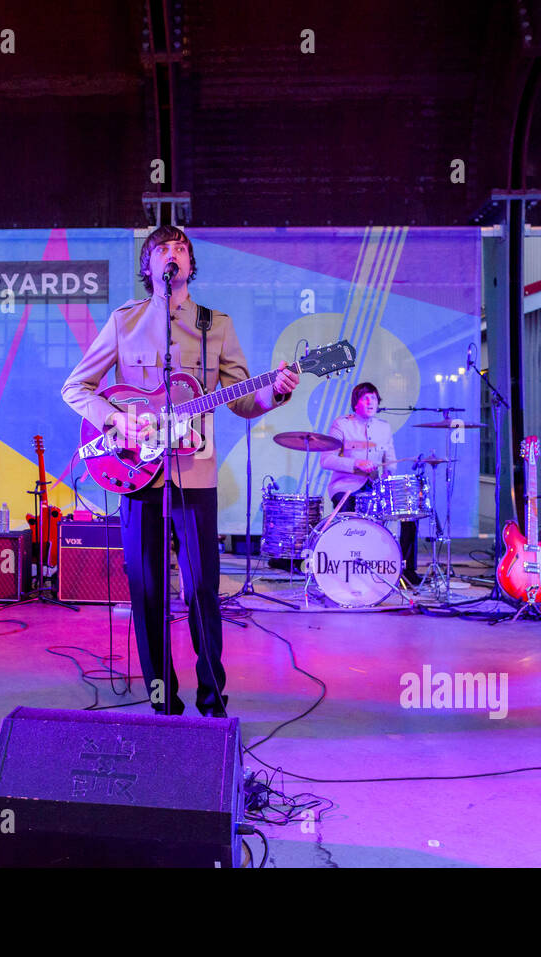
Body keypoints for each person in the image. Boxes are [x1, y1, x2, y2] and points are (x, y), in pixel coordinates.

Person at [62, 226, 298, 718]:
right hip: (135, 476)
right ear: (148, 266)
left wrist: (276, 391)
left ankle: (213, 701)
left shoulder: (216, 325)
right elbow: (76, 388)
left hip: (194, 477)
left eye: (182, 249)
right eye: (163, 250)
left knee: (202, 590)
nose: (174, 255)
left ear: (191, 265)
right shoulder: (124, 322)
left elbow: (243, 401)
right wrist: (116, 418)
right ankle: (161, 701)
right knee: (146, 592)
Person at [321, 381, 421, 585]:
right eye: (366, 398)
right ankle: (344, 567)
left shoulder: (384, 428)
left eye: (374, 398)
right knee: (348, 513)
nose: (370, 402)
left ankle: (405, 568)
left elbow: (390, 463)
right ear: (356, 402)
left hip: (375, 488)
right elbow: (326, 460)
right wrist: (356, 463)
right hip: (346, 486)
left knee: (409, 514)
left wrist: (387, 480)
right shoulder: (342, 424)